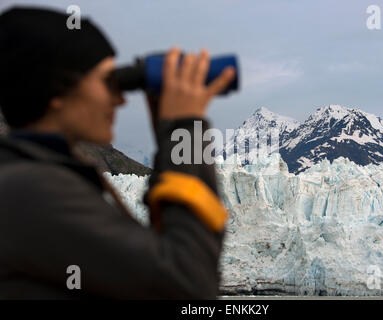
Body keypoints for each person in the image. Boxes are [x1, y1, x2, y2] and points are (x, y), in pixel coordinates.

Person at [0, 7, 235, 299]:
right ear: (57, 90)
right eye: (108, 81)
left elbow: (154, 262)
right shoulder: (33, 189)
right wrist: (184, 129)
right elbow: (188, 284)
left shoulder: (27, 175)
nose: (121, 99)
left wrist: (168, 137)